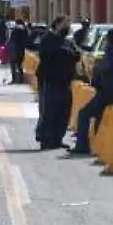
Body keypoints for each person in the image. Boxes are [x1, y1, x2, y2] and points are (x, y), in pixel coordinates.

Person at [71, 28, 113, 154]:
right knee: (99, 115)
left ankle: (82, 147)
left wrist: (97, 84)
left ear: (108, 41)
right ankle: (99, 144)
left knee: (84, 114)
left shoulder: (107, 56)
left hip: (108, 95)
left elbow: (96, 76)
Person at [35, 17, 80, 149]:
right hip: (50, 81)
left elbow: (76, 54)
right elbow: (49, 55)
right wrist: (67, 54)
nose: (67, 27)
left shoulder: (67, 41)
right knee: (49, 111)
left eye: (68, 25)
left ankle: (57, 138)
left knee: (64, 111)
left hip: (65, 81)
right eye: (65, 25)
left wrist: (68, 54)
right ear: (57, 25)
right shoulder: (47, 40)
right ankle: (46, 139)